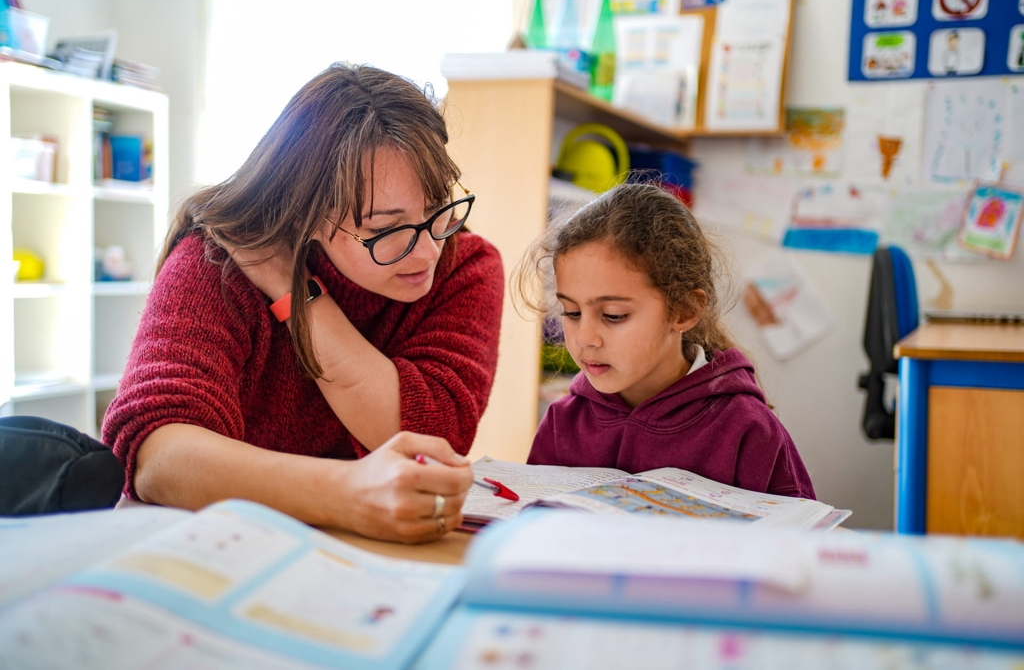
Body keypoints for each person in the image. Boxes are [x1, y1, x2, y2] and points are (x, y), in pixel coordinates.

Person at [102, 63, 505, 543]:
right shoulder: (220, 261)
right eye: (385, 229)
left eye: (437, 207)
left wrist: (298, 298)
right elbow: (158, 457)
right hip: (223, 548)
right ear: (307, 214)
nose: (428, 251)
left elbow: (435, 437)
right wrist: (346, 493)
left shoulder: (467, 264)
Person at [514, 183, 815, 499]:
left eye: (614, 315)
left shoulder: (748, 430)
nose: (585, 338)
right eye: (571, 312)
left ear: (684, 310)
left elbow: (800, 544)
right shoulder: (564, 420)